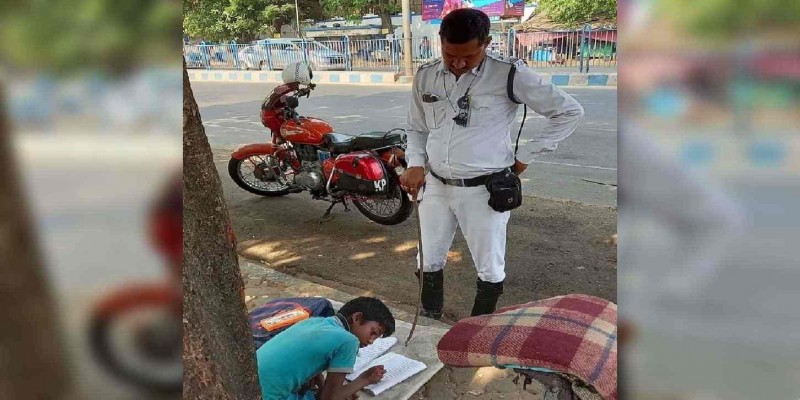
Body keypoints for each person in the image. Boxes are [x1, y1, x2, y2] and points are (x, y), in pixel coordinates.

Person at [400, 8, 584, 319]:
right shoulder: (426, 75)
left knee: (489, 265)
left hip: (484, 190)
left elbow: (569, 111)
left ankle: (478, 326)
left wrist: (525, 158)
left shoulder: (509, 74)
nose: (458, 63)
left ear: (486, 43)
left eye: (468, 56)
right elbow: (416, 127)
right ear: (441, 42)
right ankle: (431, 316)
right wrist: (415, 162)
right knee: (427, 258)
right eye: (449, 54)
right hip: (436, 185)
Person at [257, 297, 396, 400]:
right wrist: (365, 379)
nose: (371, 341)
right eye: (373, 333)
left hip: (245, 385)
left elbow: (307, 358)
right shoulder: (349, 341)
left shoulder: (313, 321)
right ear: (357, 317)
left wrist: (326, 386)